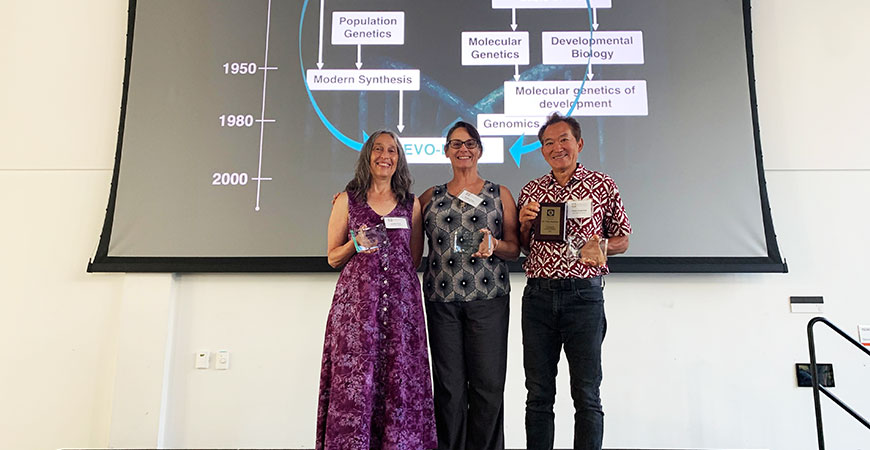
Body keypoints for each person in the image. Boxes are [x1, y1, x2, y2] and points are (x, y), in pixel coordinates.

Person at [516, 113, 631, 450]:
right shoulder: (532, 190)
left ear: (579, 144)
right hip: (538, 297)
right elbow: (524, 246)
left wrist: (604, 246)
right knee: (538, 393)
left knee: (587, 393)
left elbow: (624, 238)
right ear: (542, 151)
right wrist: (523, 224)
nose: (557, 148)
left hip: (584, 297)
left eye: (563, 139)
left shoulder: (602, 184)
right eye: (548, 143)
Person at [316, 130, 437, 450]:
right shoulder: (346, 200)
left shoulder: (411, 205)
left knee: (400, 379)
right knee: (355, 381)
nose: (386, 155)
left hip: (402, 310)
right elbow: (332, 257)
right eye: (379, 149)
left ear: (399, 159)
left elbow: (412, 258)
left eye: (393, 151)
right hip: (357, 310)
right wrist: (355, 244)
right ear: (368, 155)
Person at [418, 121, 520, 450]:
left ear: (480, 150)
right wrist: (354, 198)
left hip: (488, 299)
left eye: (471, 143)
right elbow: (394, 224)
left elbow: (514, 248)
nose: (464, 149)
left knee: (488, 386)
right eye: (456, 144)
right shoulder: (428, 198)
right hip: (441, 300)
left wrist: (495, 246)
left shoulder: (499, 193)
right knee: (448, 388)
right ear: (446, 151)